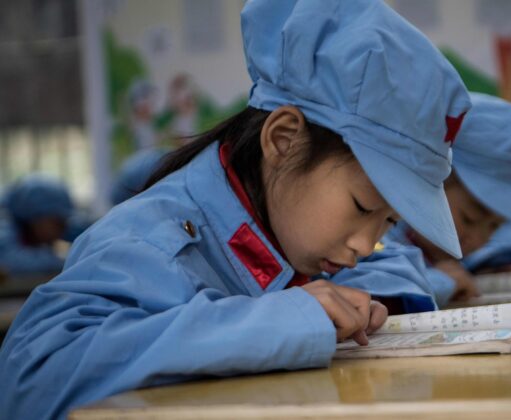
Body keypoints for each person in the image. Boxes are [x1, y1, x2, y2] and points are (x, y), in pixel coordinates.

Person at [0, 1, 472, 418]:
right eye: (362, 206)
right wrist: (274, 323)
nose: (365, 244)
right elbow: (31, 382)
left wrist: (364, 305)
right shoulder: (153, 241)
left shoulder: (289, 227)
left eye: (388, 220)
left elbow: (395, 264)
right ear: (283, 139)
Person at [346, 94, 511, 306]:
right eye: (469, 218)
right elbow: (354, 286)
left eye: (495, 227)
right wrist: (441, 282)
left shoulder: (431, 248)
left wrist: (485, 264)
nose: (478, 240)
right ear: (431, 178)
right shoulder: (375, 232)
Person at [0, 175, 82, 276]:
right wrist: (63, 260)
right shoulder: (5, 225)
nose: (63, 229)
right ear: (35, 217)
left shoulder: (32, 231)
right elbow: (10, 261)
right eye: (57, 223)